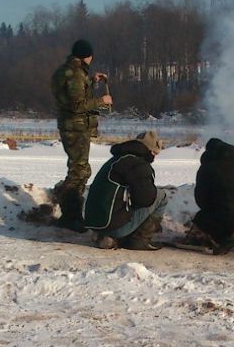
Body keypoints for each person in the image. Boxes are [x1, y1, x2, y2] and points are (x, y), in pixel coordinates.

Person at [50, 39, 113, 232]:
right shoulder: (75, 74)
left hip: (71, 126)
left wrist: (91, 82)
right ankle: (70, 214)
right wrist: (101, 101)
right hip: (76, 128)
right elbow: (77, 105)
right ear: (87, 56)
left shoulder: (68, 71)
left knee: (80, 170)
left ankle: (71, 211)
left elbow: (74, 97)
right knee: (79, 171)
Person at [83, 131, 166, 251]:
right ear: (150, 151)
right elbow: (146, 200)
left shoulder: (116, 159)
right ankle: (140, 239)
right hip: (113, 226)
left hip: (95, 223)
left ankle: (105, 236)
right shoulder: (138, 164)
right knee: (161, 196)